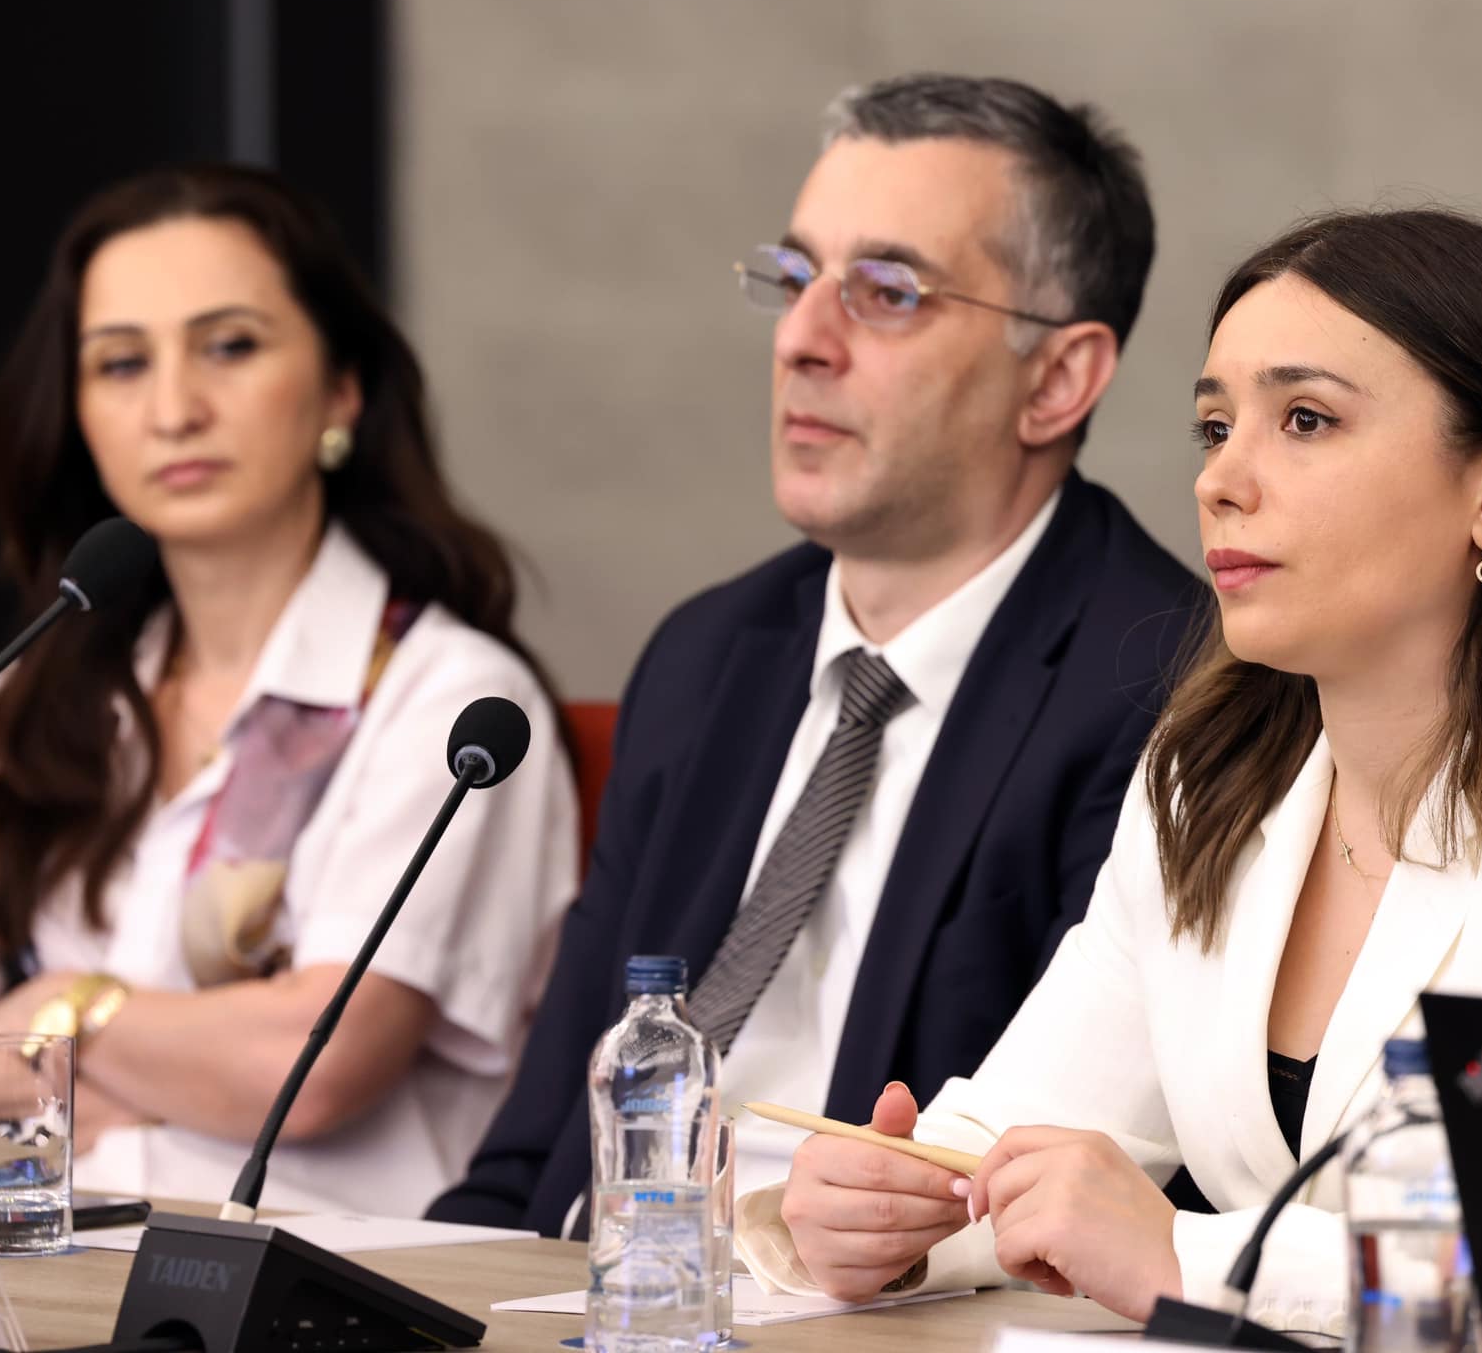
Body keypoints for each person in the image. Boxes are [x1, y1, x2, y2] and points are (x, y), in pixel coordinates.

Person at [748, 207, 1482, 1330]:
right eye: (1214, 427)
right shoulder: (1206, 783)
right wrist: (889, 1214)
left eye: (1306, 419)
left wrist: (1185, 1256)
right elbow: (1013, 1145)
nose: (1221, 480)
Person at [429, 73, 1202, 1236]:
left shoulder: (1167, 685)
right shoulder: (708, 654)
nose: (799, 339)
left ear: (1055, 379)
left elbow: (1056, 1187)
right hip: (603, 1286)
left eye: (885, 292)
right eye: (793, 279)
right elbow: (533, 1150)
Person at [0, 164, 579, 1216]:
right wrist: (162, 1080)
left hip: (311, 1282)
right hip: (40, 1273)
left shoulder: (454, 699)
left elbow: (310, 1065)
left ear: (341, 389)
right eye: (122, 362)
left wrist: (59, 1008)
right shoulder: (39, 695)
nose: (174, 409)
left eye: (229, 346)